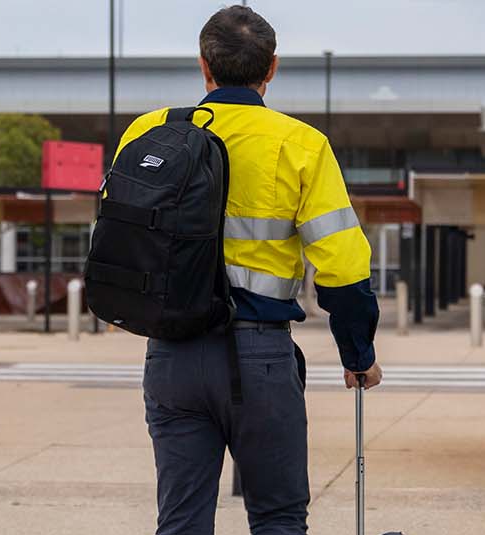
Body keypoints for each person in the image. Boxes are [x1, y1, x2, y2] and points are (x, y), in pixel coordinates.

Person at [114, 6, 381, 534]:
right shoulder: (301, 144)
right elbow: (343, 267)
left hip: (171, 355)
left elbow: (120, 235)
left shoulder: (148, 132)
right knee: (278, 518)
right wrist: (358, 354)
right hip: (260, 355)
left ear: (204, 66)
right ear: (272, 68)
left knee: (181, 521)